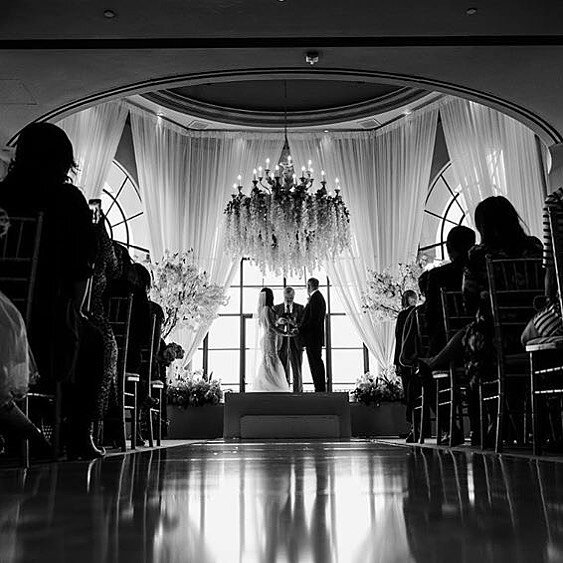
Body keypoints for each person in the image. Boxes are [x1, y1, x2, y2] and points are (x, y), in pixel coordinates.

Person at [0, 123, 102, 458]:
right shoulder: (68, 200)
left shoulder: (2, 194)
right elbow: (80, 273)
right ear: (63, 161)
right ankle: (77, 435)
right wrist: (75, 309)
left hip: (2, 318)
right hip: (46, 327)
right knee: (95, 342)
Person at [425, 226, 476, 354]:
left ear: (449, 249)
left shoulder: (437, 275)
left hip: (446, 340)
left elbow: (430, 316)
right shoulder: (481, 269)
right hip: (483, 332)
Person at [522, 187, 563, 344]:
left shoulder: (556, 202)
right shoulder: (532, 245)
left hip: (560, 313)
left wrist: (548, 300)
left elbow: (552, 270)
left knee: (526, 337)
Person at [252, 287, 289, 392]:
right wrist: (284, 333)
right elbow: (271, 327)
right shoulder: (267, 309)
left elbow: (271, 324)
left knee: (268, 361)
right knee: (272, 360)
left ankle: (267, 384)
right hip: (269, 338)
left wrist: (279, 322)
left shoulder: (264, 310)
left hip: (270, 338)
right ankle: (271, 385)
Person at [394, 290, 417, 438]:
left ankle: (415, 426)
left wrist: (397, 361)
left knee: (410, 394)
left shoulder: (403, 315)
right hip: (416, 358)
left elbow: (399, 340)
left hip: (406, 359)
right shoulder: (415, 313)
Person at [273, 287, 305, 392]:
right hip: (281, 342)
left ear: (294, 296)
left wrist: (295, 325)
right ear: (283, 296)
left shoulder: (300, 308)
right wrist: (278, 322)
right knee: (282, 370)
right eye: (287, 297)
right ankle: (284, 393)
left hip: (295, 342)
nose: (289, 299)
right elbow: (271, 325)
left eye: (291, 297)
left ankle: (298, 394)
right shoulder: (276, 308)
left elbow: (303, 325)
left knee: (297, 370)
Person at [300, 278, 327, 392]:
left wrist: (300, 328)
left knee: (315, 363)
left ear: (309, 286)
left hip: (313, 338)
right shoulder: (318, 297)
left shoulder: (315, 298)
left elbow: (313, 320)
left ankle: (320, 389)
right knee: (316, 363)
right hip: (314, 337)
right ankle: (319, 388)